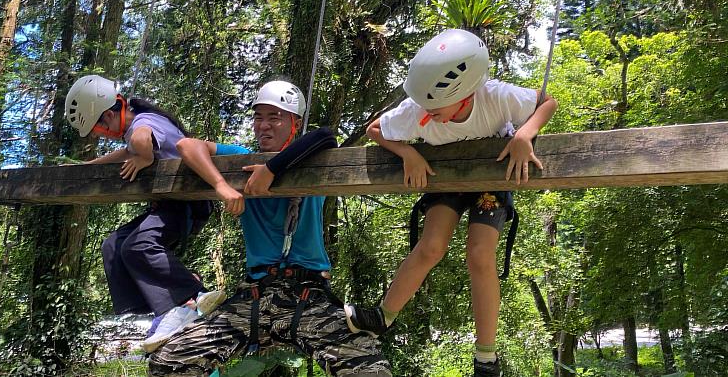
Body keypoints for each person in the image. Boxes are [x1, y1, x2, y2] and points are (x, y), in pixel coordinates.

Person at [343, 29, 558, 376]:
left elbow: (546, 102)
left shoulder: (497, 97)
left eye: (435, 107)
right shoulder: (418, 111)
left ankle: (486, 355)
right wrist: (408, 152)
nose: (426, 115)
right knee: (431, 247)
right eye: (424, 106)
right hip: (449, 180)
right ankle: (382, 317)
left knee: (479, 254)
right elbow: (375, 130)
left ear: (465, 93)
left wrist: (523, 134)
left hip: (489, 181)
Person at [148, 80, 392, 376]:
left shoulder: (313, 162)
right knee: (169, 361)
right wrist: (222, 185)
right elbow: (187, 145)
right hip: (255, 294)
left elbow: (325, 136)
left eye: (274, 117)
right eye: (258, 117)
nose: (263, 125)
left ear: (294, 123)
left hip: (308, 294)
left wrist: (272, 170)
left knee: (370, 370)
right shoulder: (241, 158)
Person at [64, 74, 226, 353]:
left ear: (108, 113)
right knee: (114, 246)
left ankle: (192, 296)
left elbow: (141, 139)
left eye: (100, 129)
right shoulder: (136, 125)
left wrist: (145, 157)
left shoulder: (143, 121)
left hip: (185, 204)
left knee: (138, 245)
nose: (103, 135)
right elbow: (123, 152)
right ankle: (160, 308)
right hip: (166, 205)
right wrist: (85, 166)